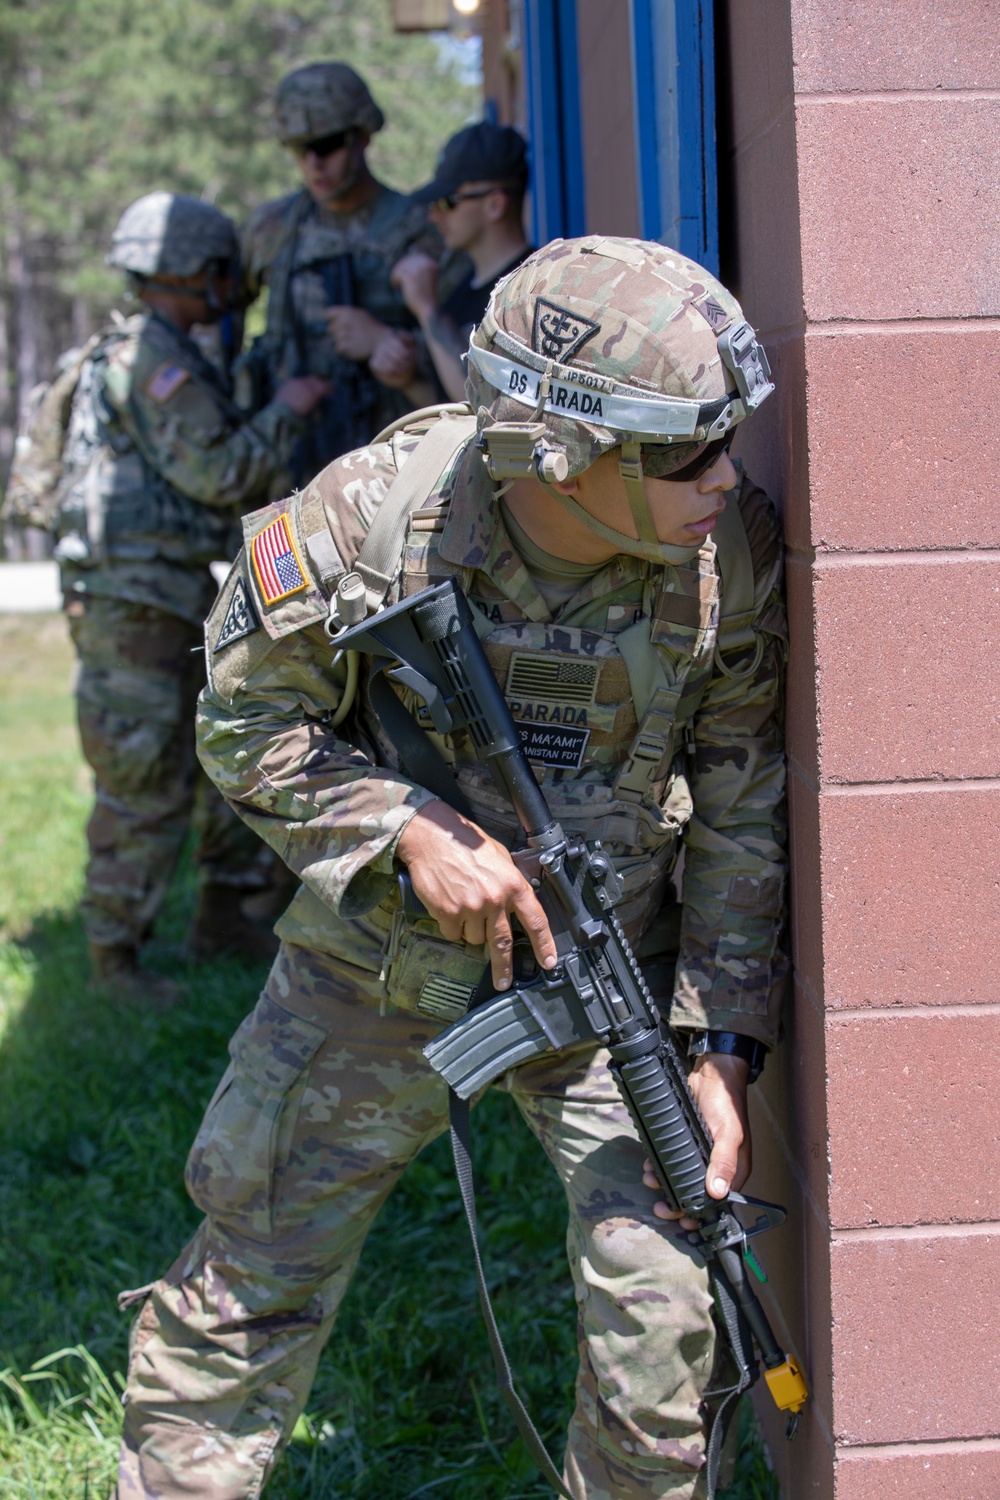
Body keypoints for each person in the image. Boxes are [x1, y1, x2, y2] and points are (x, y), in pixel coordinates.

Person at [114, 236, 788, 1497]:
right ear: (562, 455)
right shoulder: (370, 522)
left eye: (725, 441)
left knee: (668, 1342)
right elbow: (240, 722)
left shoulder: (727, 554)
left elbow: (747, 801)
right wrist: (405, 827)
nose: (725, 476)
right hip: (371, 974)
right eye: (688, 452)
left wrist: (722, 1050)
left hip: (608, 993)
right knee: (245, 1290)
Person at [57, 191, 328, 1004]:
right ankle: (114, 961)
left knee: (210, 760)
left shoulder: (166, 347)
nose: (229, 290)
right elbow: (219, 473)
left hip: (159, 594)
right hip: (130, 601)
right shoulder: (151, 359)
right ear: (187, 273)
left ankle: (218, 919)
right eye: (218, 274)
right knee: (143, 780)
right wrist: (288, 410)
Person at [238, 60, 442, 487]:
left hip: (388, 460)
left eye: (327, 145)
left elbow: (461, 349)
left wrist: (392, 346)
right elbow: (219, 326)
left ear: (361, 136)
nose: (314, 163)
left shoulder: (418, 229)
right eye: (299, 148)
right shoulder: (271, 230)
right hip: (291, 457)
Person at [376, 121, 532, 402]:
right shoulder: (458, 295)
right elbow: (453, 412)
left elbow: (481, 404)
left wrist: (426, 308)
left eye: (448, 202)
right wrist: (406, 381)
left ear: (494, 204)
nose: (435, 215)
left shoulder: (533, 288)